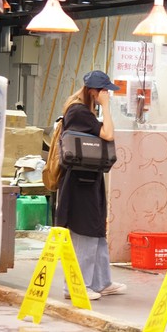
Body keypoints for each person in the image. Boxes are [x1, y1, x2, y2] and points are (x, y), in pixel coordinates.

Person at [55, 70, 126, 301]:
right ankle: (75, 286)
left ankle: (100, 282)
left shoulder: (83, 111)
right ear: (94, 91)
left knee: (95, 230)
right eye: (104, 91)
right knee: (83, 232)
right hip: (79, 182)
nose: (107, 95)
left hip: (88, 178)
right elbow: (108, 134)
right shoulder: (79, 111)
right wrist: (105, 106)